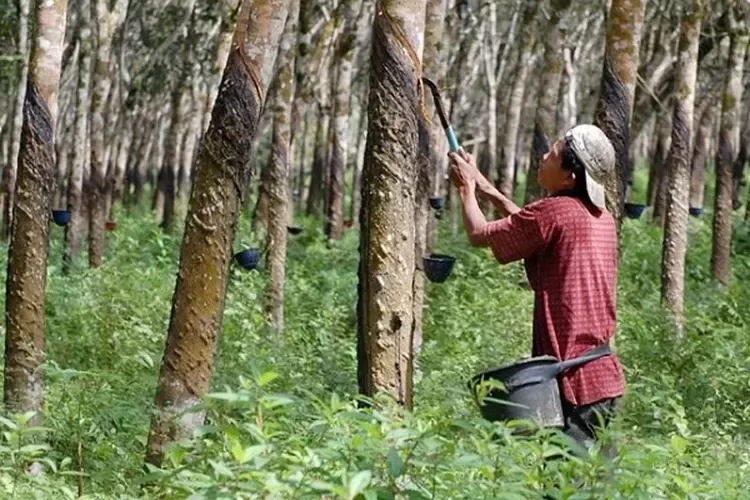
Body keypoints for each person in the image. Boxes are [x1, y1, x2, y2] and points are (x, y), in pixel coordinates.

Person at [448, 124, 626, 456]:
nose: (544, 157)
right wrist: (487, 189)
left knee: (565, 488)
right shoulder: (600, 218)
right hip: (603, 380)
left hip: (574, 385)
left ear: (569, 177)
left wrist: (466, 189)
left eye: (553, 154)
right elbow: (534, 227)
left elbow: (478, 233)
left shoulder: (553, 212)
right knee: (599, 484)